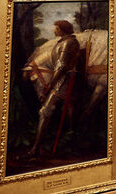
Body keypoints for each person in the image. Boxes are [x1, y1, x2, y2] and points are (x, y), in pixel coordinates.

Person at [29, 20, 82, 156]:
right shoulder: (64, 42)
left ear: (62, 29)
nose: (54, 31)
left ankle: (35, 149)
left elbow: (62, 67)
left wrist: (50, 85)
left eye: (56, 28)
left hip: (65, 82)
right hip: (64, 80)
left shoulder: (68, 43)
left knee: (45, 112)